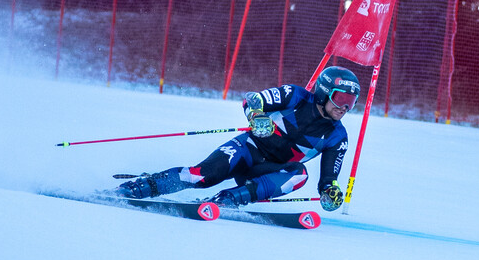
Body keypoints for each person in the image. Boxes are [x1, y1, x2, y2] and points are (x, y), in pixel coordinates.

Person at [115, 66, 360, 212]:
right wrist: (256, 115)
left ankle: (229, 199)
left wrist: (330, 193)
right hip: (246, 150)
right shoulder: (296, 96)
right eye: (340, 99)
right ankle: (139, 187)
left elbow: (328, 180)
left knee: (299, 174)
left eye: (351, 102)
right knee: (200, 176)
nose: (344, 108)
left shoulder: (338, 137)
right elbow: (253, 99)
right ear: (324, 92)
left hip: (267, 173)